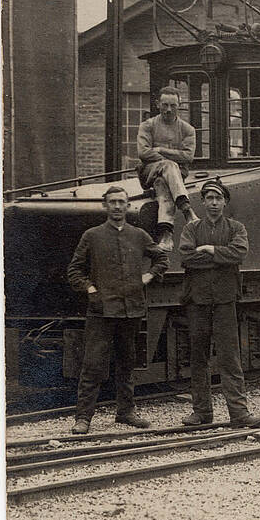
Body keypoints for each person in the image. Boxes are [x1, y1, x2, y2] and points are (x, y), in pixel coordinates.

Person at [66, 185, 170, 434]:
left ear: (127, 206)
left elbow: (162, 259)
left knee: (127, 364)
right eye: (112, 202)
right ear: (105, 206)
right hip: (101, 312)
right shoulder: (92, 235)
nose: (116, 206)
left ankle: (125, 412)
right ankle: (83, 418)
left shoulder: (139, 235)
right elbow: (74, 270)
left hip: (131, 310)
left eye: (121, 202)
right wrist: (90, 288)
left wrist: (148, 277)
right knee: (93, 365)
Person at [177, 178, 260, 428]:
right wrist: (220, 256)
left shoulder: (236, 227)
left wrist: (208, 250)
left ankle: (239, 414)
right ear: (203, 201)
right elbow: (186, 257)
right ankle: (202, 413)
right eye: (209, 198)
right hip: (197, 301)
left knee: (230, 357)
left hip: (225, 301)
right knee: (198, 357)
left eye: (218, 198)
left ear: (225, 202)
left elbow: (239, 253)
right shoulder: (191, 229)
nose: (214, 203)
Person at [136, 86, 198, 251]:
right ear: (158, 104)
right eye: (165, 105)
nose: (168, 110)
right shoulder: (147, 126)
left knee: (162, 184)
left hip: (173, 177)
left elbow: (188, 157)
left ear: (180, 104)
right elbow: (143, 153)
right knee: (169, 166)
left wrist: (161, 150)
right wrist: (170, 159)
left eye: (173, 105)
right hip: (148, 172)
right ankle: (187, 210)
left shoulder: (188, 130)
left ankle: (166, 236)